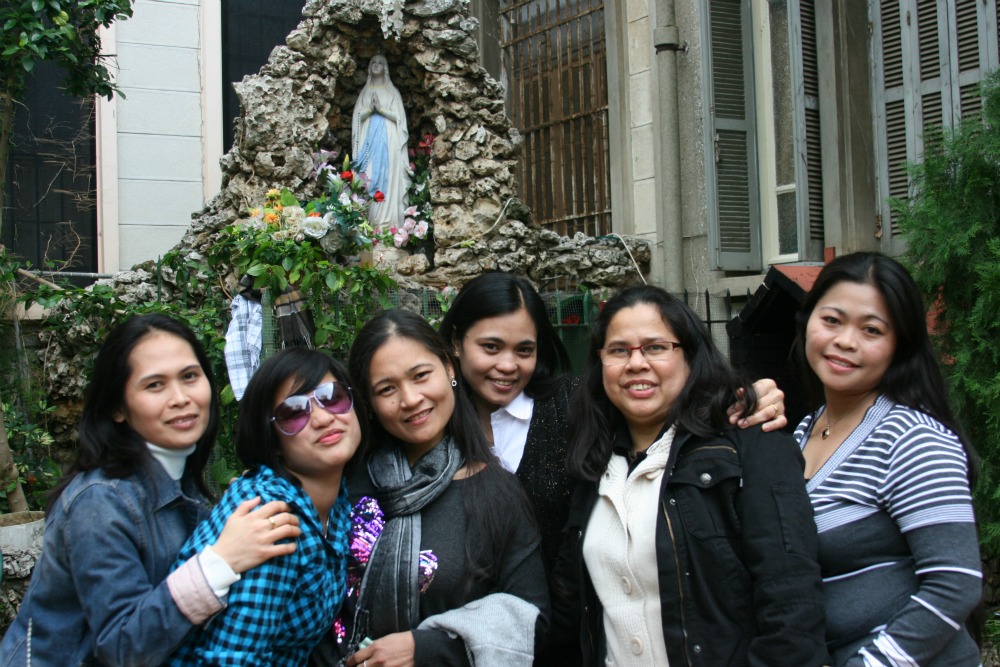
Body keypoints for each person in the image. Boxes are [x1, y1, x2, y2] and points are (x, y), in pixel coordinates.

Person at [438, 272, 792, 572]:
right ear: (456, 341)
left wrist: (746, 398)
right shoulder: (430, 421)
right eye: (490, 347)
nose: (508, 365)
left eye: (524, 350)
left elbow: (654, 396)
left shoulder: (574, 403)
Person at [0, 314, 301, 666]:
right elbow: (123, 646)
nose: (180, 398)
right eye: (154, 385)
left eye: (190, 377)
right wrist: (220, 561)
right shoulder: (101, 500)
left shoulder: (179, 479)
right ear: (117, 408)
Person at [552, 284, 828, 666]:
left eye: (655, 347)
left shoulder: (749, 445)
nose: (636, 363)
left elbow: (790, 601)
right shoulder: (592, 464)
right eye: (619, 350)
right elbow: (572, 611)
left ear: (690, 356)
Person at [322, 309, 549, 667]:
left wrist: (428, 649)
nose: (410, 399)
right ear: (369, 402)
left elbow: (533, 620)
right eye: (387, 389)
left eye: (421, 375)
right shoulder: (342, 485)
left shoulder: (497, 495)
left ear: (448, 367)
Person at [791, 251, 981, 666]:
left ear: (899, 345)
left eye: (872, 330)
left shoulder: (912, 438)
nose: (845, 341)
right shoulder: (802, 432)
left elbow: (956, 583)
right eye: (832, 320)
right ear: (808, 322)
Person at [170, 348, 362, 665]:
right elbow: (232, 660)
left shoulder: (336, 503)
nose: (323, 418)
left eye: (332, 397)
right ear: (272, 440)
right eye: (294, 412)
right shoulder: (272, 516)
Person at [352, 54, 410, 227]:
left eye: (381, 63)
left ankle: (389, 226)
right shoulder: (365, 92)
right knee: (367, 178)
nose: (376, 65)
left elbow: (400, 119)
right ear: (369, 68)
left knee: (388, 177)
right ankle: (369, 224)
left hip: (389, 141)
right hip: (368, 143)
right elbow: (357, 117)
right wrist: (370, 110)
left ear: (386, 68)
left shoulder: (392, 93)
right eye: (373, 62)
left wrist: (381, 110)